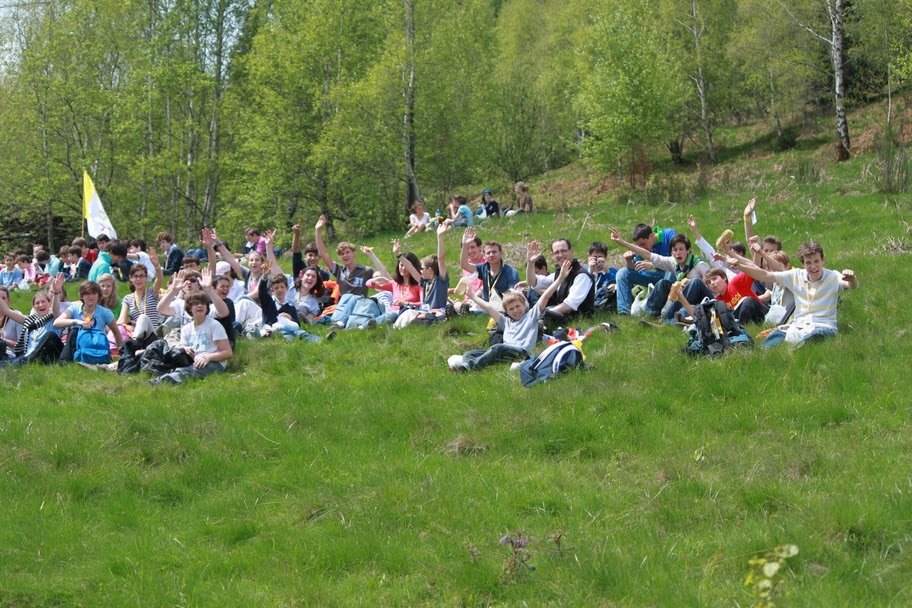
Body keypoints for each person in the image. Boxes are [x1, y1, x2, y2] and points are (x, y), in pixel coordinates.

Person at [724, 240, 858, 347]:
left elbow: (851, 286)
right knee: (770, 342)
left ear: (823, 261)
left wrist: (851, 279)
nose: (813, 266)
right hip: (798, 325)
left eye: (817, 261)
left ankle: (805, 344)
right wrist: (741, 267)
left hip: (824, 325)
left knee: (818, 335)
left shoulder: (833, 276)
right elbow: (765, 275)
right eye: (808, 263)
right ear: (803, 264)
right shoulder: (796, 275)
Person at [447, 259, 572, 371]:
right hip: (504, 353)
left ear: (524, 305)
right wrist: (472, 296)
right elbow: (489, 307)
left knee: (497, 348)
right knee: (470, 353)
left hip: (521, 353)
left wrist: (560, 278)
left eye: (518, 306)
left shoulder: (531, 316)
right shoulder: (506, 322)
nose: (515, 310)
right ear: (507, 311)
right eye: (511, 309)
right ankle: (470, 361)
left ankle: (469, 367)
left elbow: (545, 296)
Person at [609, 229, 709, 322]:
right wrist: (622, 242)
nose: (678, 253)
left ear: (688, 250)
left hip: (698, 301)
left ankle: (666, 317)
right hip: (681, 297)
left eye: (681, 249)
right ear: (671, 252)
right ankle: (649, 316)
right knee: (663, 283)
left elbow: (711, 289)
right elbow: (648, 255)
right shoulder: (673, 262)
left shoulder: (699, 265)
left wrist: (689, 283)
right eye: (675, 250)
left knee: (695, 282)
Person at [149, 292, 233, 385]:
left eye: (203, 303)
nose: (200, 305)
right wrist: (185, 348)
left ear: (207, 307)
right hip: (192, 361)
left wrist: (208, 357)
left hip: (213, 362)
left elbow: (228, 352)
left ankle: (159, 383)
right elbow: (183, 345)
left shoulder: (214, 325)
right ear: (189, 309)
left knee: (186, 372)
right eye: (196, 303)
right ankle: (158, 379)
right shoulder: (186, 328)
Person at [315, 215, 375, 326]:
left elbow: (382, 278)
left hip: (359, 305)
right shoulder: (339, 270)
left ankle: (336, 322)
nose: (345, 255)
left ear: (354, 253)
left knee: (352, 297)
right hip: (343, 304)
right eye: (342, 254)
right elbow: (323, 254)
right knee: (346, 297)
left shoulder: (366, 270)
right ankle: (334, 322)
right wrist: (318, 231)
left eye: (347, 252)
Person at [526, 239, 594, 329]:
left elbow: (568, 306)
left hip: (578, 320)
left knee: (543, 312)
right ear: (552, 255)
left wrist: (542, 315)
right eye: (557, 252)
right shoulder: (559, 273)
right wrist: (530, 263)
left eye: (564, 251)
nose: (560, 255)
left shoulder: (582, 275)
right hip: (562, 317)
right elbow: (532, 282)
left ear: (571, 251)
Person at [613, 223, 678, 315]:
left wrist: (652, 265)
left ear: (651, 236)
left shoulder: (668, 235)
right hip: (655, 277)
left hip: (672, 277)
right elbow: (635, 268)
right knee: (622, 273)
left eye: (643, 244)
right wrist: (628, 261)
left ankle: (662, 309)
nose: (641, 248)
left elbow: (678, 261)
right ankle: (624, 312)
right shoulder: (641, 248)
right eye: (639, 245)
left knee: (670, 271)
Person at [0, 274, 65, 366]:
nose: (41, 305)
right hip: (27, 357)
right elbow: (7, 311)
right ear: (34, 307)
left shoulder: (54, 318)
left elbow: (55, 309)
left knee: (50, 335)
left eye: (43, 302)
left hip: (46, 357)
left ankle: (23, 363)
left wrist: (56, 292)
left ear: (49, 303)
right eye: (37, 303)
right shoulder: (30, 320)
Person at [53, 280, 123, 363]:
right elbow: (56, 323)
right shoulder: (74, 308)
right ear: (82, 296)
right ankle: (64, 362)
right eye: (87, 294)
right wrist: (77, 322)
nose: (91, 296)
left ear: (99, 296)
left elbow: (116, 332)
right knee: (75, 331)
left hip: (97, 347)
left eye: (94, 293)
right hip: (77, 348)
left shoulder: (105, 312)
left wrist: (122, 354)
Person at [459, 228, 520, 307]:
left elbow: (512, 295)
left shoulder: (511, 272)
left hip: (503, 306)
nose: (491, 255)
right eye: (488, 253)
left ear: (501, 253)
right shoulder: (483, 268)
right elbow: (464, 265)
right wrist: (464, 245)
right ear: (484, 255)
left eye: (494, 252)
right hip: (484, 306)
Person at [118, 254, 164, 342]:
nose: (138, 279)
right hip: (139, 334)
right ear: (130, 278)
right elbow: (122, 319)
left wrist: (157, 266)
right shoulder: (128, 298)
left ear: (146, 278)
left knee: (143, 317)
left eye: (141, 276)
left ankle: (134, 343)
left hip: (153, 334)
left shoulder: (152, 292)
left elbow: (159, 280)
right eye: (135, 276)